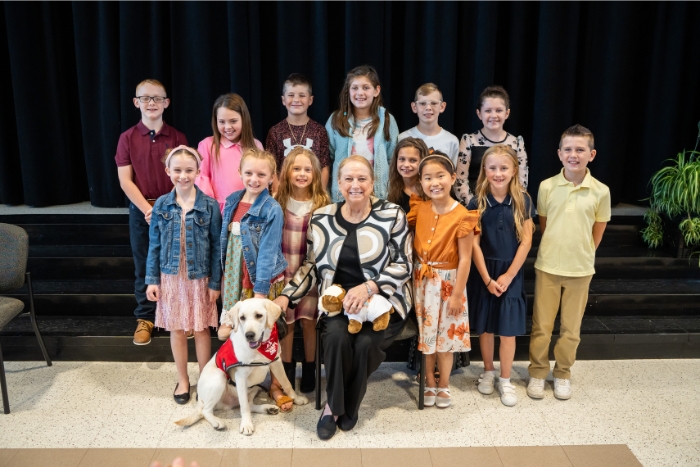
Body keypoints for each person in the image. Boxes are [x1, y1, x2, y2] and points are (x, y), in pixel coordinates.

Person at [274, 156, 412, 439]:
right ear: (338, 184)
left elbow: (404, 264)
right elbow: (311, 266)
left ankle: (346, 402)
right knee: (336, 338)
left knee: (364, 344)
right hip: (338, 303)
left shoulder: (392, 214)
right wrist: (286, 297)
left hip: (383, 302)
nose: (355, 185)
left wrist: (369, 287)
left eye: (362, 178)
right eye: (348, 179)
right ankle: (334, 408)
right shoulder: (321, 218)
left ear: (373, 183)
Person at [527, 124, 610, 401]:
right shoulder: (547, 186)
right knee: (542, 326)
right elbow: (545, 225)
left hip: (580, 270)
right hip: (548, 266)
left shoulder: (600, 191)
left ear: (592, 154)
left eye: (580, 150)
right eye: (568, 149)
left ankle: (562, 373)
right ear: (559, 154)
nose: (574, 154)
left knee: (571, 329)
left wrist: (582, 253)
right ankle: (538, 372)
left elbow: (596, 233)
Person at [145, 146, 222, 404]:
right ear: (168, 171)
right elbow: (154, 244)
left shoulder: (210, 206)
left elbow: (216, 248)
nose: (183, 175)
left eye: (189, 170)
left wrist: (215, 282)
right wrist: (152, 279)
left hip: (200, 277)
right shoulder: (162, 206)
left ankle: (204, 378)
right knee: (177, 329)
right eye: (177, 170)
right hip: (170, 277)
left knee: (200, 329)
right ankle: (182, 379)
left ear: (198, 171)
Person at [216, 148, 290, 410]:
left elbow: (269, 251)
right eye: (248, 173)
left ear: (272, 177)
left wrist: (260, 294)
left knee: (266, 333)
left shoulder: (271, 208)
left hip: (260, 279)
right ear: (240, 173)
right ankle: (239, 383)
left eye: (261, 174)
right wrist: (219, 282)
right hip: (234, 276)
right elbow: (224, 245)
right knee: (235, 331)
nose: (254, 179)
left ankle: (275, 385)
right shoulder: (233, 200)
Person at [115, 79, 188, 346]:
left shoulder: (178, 137)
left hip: (173, 206)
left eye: (157, 98)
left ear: (166, 103)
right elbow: (125, 181)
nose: (152, 103)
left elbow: (183, 176)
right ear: (136, 103)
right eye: (146, 98)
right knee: (144, 262)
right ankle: (145, 317)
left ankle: (178, 315)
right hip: (141, 209)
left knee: (176, 262)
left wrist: (165, 207)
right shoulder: (127, 138)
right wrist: (148, 209)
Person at [408, 153, 478, 408]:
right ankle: (428, 380)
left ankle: (444, 384)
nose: (434, 182)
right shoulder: (419, 209)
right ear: (422, 181)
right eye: (428, 178)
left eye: (440, 176)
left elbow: (465, 259)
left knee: (445, 341)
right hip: (423, 282)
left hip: (449, 283)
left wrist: (457, 294)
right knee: (426, 338)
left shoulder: (463, 215)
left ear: (452, 177)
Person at [467, 145, 534, 407]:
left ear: (514, 170)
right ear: (485, 170)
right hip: (485, 273)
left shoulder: (523, 200)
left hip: (511, 274)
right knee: (485, 328)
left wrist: (508, 276)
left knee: (507, 332)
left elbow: (526, 242)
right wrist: (486, 278)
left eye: (503, 168)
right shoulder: (476, 202)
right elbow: (473, 245)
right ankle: (488, 371)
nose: (498, 173)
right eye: (492, 168)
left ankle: (505, 379)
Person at [274, 147, 331, 393]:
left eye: (307, 169)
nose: (302, 173)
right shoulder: (277, 201)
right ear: (286, 173)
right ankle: (286, 370)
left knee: (309, 321)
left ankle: (310, 368)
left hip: (310, 273)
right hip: (284, 270)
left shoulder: (323, 203)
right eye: (296, 168)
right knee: (287, 322)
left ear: (316, 175)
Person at [326, 65, 399, 202]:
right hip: (344, 196)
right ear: (348, 90)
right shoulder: (336, 120)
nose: (360, 93)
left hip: (377, 195)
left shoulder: (387, 119)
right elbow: (326, 159)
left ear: (376, 91)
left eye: (366, 87)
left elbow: (393, 159)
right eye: (355, 88)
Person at [456, 85, 528, 205]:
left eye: (499, 110)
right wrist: (475, 207)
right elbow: (460, 181)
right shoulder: (469, 140)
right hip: (475, 205)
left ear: (507, 113)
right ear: (479, 114)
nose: (493, 115)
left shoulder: (517, 143)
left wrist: (508, 207)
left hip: (507, 207)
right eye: (488, 111)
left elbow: (521, 182)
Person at [196, 93, 264, 213]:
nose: (227, 127)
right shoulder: (207, 145)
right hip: (217, 212)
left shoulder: (256, 146)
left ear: (244, 119)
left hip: (250, 210)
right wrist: (211, 210)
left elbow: (262, 179)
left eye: (233, 121)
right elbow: (202, 179)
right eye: (222, 122)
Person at [266, 73, 331, 192]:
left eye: (302, 95)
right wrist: (278, 195)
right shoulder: (275, 132)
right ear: (283, 100)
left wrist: (319, 195)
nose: (296, 100)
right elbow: (271, 167)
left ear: (310, 100)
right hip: (284, 195)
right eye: (291, 95)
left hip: (312, 194)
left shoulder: (319, 131)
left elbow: (324, 166)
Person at [398, 83, 459, 165]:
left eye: (433, 103)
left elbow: (452, 174)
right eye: (423, 103)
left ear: (442, 107)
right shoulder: (403, 138)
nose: (428, 108)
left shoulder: (451, 141)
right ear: (414, 107)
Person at [386, 137, 429, 215]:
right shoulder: (393, 190)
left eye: (413, 160)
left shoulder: (430, 189)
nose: (406, 165)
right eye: (402, 159)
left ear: (423, 162)